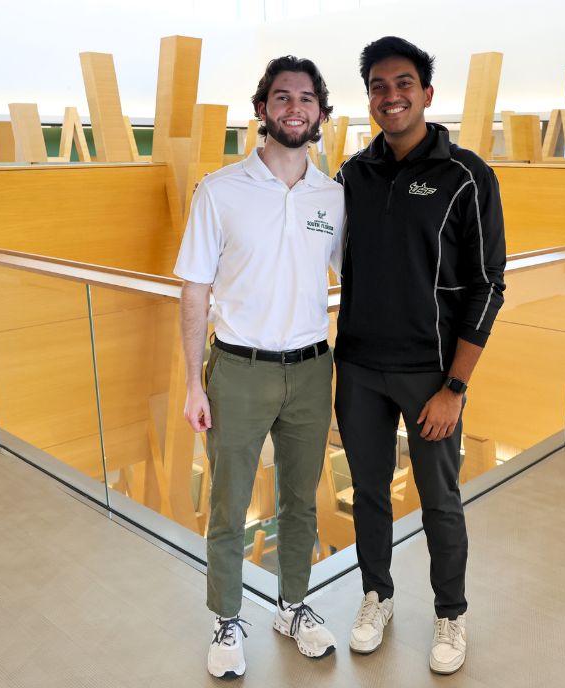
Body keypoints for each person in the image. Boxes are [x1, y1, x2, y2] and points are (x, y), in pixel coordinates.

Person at [333, 36, 506, 675]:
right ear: (370, 98)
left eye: (403, 83)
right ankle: (376, 596)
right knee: (370, 494)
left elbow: (489, 284)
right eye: (379, 86)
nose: (391, 95)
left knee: (439, 502)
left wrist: (454, 388)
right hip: (357, 369)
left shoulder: (468, 176)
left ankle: (450, 614)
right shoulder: (352, 174)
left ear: (426, 94)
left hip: (431, 376)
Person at [175, 55, 345, 679]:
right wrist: (195, 381)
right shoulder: (220, 191)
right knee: (229, 502)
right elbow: (194, 290)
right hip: (238, 370)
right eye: (282, 96)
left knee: (301, 502)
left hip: (310, 369)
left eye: (306, 97)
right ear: (262, 109)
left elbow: (356, 284)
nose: (294, 106)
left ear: (321, 113)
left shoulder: (334, 196)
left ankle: (292, 606)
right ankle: (226, 618)